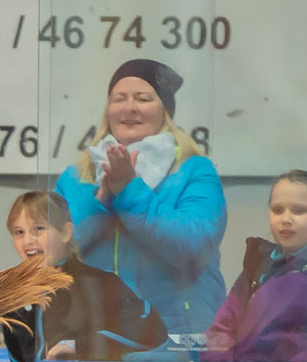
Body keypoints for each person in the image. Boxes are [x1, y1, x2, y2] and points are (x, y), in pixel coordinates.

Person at [54, 59, 227, 338]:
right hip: (95, 337)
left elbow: (194, 248)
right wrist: (100, 201)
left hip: (175, 338)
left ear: (165, 111)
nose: (129, 107)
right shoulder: (74, 178)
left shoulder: (194, 170)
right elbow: (54, 253)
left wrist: (130, 191)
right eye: (119, 99)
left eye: (143, 99)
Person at [0, 190, 167, 362]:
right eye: (19, 232)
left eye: (38, 229)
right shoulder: (15, 299)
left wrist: (79, 346)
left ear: (65, 233)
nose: (28, 241)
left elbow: (153, 329)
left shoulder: (97, 283)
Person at [203, 171, 307, 362]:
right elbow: (220, 331)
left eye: (299, 210)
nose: (285, 219)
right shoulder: (259, 265)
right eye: (277, 210)